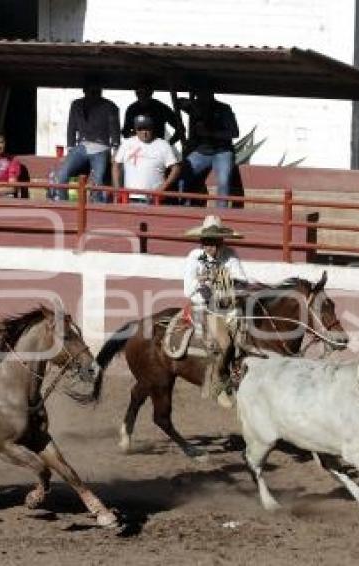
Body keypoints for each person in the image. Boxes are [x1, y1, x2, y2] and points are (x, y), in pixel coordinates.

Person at [183, 215, 247, 408]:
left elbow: (242, 280)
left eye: (213, 241)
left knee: (247, 338)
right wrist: (200, 281)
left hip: (230, 305)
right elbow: (188, 290)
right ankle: (218, 382)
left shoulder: (230, 255)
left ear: (221, 241)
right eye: (206, 241)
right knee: (226, 344)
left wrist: (222, 277)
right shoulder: (194, 257)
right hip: (206, 306)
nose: (209, 246)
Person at [51, 84, 120, 203]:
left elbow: (115, 129)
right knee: (62, 175)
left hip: (101, 146)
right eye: (90, 90)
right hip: (82, 146)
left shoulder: (110, 106)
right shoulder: (76, 104)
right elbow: (71, 127)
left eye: (96, 90)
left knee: (98, 180)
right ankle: (63, 203)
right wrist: (70, 149)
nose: (93, 93)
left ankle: (98, 208)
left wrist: (115, 149)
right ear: (85, 91)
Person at [176, 88, 239, 207]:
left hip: (222, 151)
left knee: (223, 181)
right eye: (198, 95)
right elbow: (179, 102)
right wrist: (186, 103)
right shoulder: (195, 107)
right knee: (183, 174)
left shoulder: (223, 109)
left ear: (211, 94)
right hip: (202, 152)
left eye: (204, 94)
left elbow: (234, 133)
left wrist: (210, 133)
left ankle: (221, 214)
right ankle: (184, 206)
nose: (200, 97)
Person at [112, 114, 181, 204]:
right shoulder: (127, 143)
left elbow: (176, 168)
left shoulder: (163, 145)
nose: (144, 132)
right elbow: (116, 165)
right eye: (140, 129)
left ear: (152, 129)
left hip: (154, 199)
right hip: (129, 198)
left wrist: (163, 187)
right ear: (135, 130)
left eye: (147, 129)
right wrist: (117, 189)